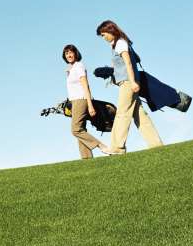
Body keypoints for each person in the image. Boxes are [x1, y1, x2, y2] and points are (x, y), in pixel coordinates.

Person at [96, 20, 163, 154]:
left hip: (128, 82)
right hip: (127, 82)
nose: (103, 38)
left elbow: (128, 63)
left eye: (103, 35)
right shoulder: (118, 43)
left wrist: (132, 82)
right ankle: (156, 144)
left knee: (122, 113)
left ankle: (117, 147)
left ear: (110, 31)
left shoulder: (120, 43)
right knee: (140, 115)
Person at [62, 44, 109, 159]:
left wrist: (90, 105)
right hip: (74, 101)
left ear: (75, 53)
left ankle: (101, 145)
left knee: (75, 129)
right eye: (66, 53)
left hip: (81, 100)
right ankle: (87, 158)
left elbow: (85, 86)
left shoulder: (79, 66)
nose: (69, 55)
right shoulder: (70, 69)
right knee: (81, 129)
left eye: (70, 52)